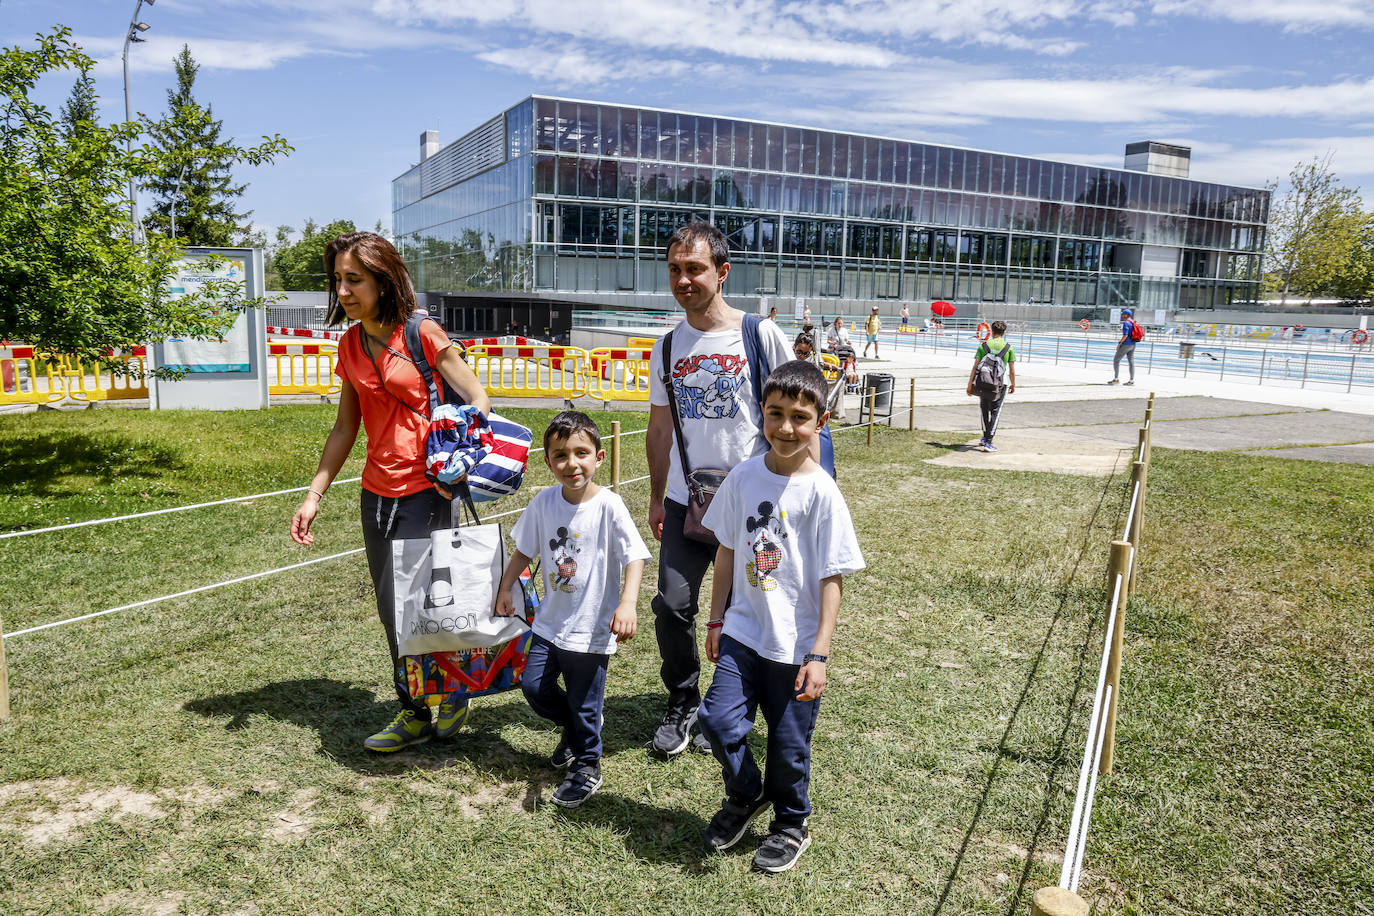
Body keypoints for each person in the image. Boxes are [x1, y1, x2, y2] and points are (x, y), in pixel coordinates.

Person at [291, 231, 492, 752]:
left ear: (384, 279)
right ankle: (414, 708)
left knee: (424, 602)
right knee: (390, 607)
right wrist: (314, 494)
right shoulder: (350, 344)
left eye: (353, 279)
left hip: (428, 489)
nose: (343, 291)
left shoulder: (422, 332)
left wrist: (457, 453)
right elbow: (344, 428)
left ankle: (445, 696)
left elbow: (477, 398)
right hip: (375, 491)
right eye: (337, 280)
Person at [697, 360, 865, 873]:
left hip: (796, 648)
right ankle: (747, 794)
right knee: (717, 721)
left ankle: (792, 821)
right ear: (761, 414)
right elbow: (726, 551)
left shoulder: (822, 493)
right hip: (744, 633)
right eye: (775, 414)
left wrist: (819, 653)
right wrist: (716, 619)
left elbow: (832, 578)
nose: (786, 428)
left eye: (800, 417)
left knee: (789, 747)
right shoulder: (744, 478)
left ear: (822, 421)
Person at [646, 221, 792, 758]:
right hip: (688, 504)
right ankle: (683, 700)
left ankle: (727, 706)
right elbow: (660, 429)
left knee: (742, 615)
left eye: (695, 269)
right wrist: (658, 496)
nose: (684, 279)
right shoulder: (665, 349)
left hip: (752, 508)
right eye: (675, 270)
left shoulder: (759, 334)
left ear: (722, 273)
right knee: (672, 606)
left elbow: (796, 415)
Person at [495, 411, 650, 808]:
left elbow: (635, 557)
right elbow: (525, 550)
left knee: (585, 701)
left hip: (591, 629)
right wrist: (506, 584)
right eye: (561, 455)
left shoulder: (610, 506)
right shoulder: (543, 503)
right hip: (551, 622)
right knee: (534, 687)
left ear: (599, 457)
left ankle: (587, 766)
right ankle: (579, 729)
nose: (571, 463)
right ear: (547, 462)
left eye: (581, 453)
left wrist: (628, 603)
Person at [965, 319, 1016, 453]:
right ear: (1004, 332)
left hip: (983, 382)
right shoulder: (1008, 347)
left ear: (992, 331)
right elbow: (1011, 370)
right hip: (1000, 383)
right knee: (995, 412)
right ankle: (989, 441)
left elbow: (975, 366)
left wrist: (970, 384)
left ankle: (984, 437)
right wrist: (1013, 384)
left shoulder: (984, 346)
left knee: (984, 409)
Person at [1110, 308, 1138, 386]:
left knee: (1116, 360)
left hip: (1126, 344)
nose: (1122, 315)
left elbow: (1125, 335)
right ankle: (1131, 380)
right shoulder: (1133, 322)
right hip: (1133, 344)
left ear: (1126, 315)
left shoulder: (1126, 323)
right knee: (1131, 362)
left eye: (1123, 314)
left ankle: (1116, 379)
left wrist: (1119, 344)